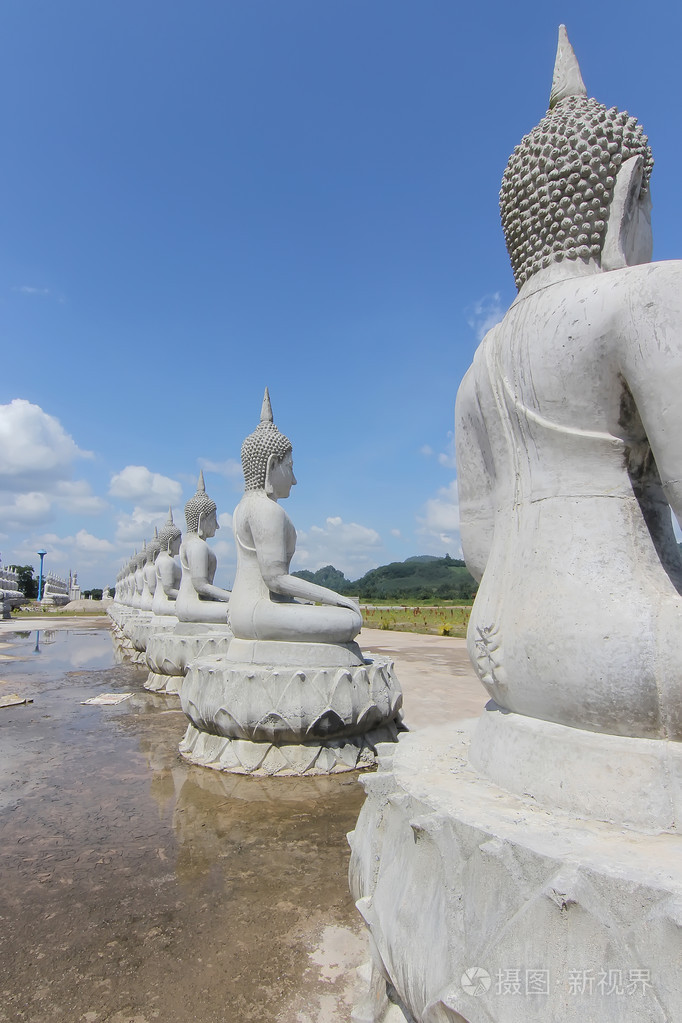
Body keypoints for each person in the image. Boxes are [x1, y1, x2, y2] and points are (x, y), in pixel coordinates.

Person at [456, 26, 682, 741]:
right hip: (633, 654)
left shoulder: (478, 369)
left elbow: (479, 551)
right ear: (625, 198)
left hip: (502, 652)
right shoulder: (643, 295)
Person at [229, 389, 361, 644]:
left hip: (241, 611)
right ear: (271, 466)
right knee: (349, 620)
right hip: (257, 613)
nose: (294, 479)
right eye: (289, 467)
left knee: (329, 615)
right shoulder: (266, 510)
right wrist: (337, 598)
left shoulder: (240, 508)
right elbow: (276, 579)